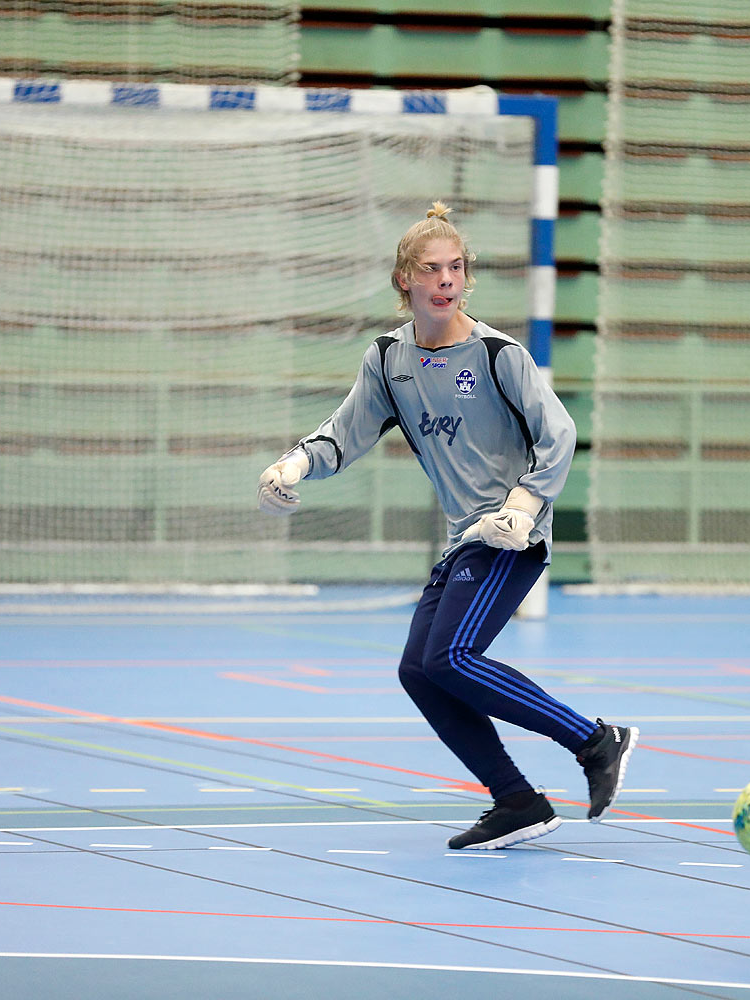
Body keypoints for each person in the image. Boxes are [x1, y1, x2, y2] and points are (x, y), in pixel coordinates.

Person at [257, 202, 637, 850]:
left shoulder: (497, 354)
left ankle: (595, 741)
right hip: (466, 539)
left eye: (455, 267)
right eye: (432, 269)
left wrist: (524, 503)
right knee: (418, 670)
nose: (446, 280)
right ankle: (517, 799)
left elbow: (561, 434)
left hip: (512, 538)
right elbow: (344, 434)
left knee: (451, 657)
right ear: (405, 279)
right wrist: (294, 463)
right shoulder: (389, 360)